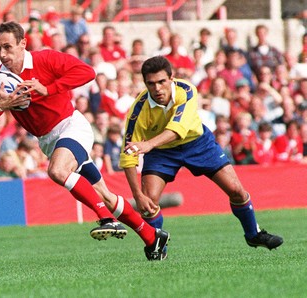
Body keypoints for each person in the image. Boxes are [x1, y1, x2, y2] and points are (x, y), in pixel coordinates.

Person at [0, 21, 169, 261]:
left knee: (58, 170)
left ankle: (106, 219)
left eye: (8, 47)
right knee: (104, 194)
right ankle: (152, 237)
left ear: (23, 44)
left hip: (72, 126)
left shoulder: (45, 59)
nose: (2, 54)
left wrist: (48, 88)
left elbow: (87, 72)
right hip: (48, 141)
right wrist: (1, 105)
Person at [119, 56, 283, 254]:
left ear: (171, 78)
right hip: (162, 152)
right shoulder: (138, 111)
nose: (157, 88)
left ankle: (253, 235)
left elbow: (177, 128)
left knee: (237, 191)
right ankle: (156, 246)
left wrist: (148, 144)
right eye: (151, 84)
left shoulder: (186, 90)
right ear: (145, 84)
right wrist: (137, 195)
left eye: (162, 81)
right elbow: (128, 155)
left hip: (197, 144)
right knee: (148, 201)